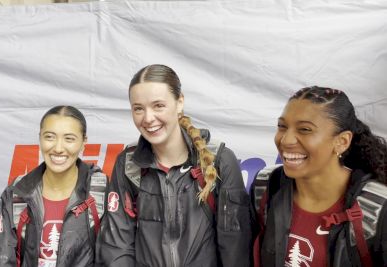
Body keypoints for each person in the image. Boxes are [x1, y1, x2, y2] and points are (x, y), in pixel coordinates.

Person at [96, 64, 252, 267]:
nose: (148, 118)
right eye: (138, 109)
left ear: (180, 103)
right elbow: (117, 247)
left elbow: (235, 248)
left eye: (158, 105)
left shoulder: (220, 160)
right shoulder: (127, 164)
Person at [251, 86, 387, 266]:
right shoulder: (266, 187)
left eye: (305, 129)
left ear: (342, 142)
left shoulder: (377, 208)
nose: (285, 140)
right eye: (282, 126)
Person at [0, 105, 107, 267]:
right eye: (50, 137)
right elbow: (2, 258)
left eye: (69, 139)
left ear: (83, 142)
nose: (58, 148)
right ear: (40, 138)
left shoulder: (101, 191)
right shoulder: (18, 192)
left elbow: (113, 255)